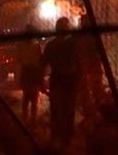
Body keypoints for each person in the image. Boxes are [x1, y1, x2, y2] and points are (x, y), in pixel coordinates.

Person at [41, 17, 81, 151]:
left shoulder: (53, 45)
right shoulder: (72, 44)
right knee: (67, 109)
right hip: (67, 80)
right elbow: (79, 62)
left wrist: (41, 81)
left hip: (59, 80)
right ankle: (65, 139)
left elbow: (43, 63)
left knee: (58, 110)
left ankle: (58, 138)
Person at [16, 24, 44, 124]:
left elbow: (19, 59)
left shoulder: (21, 45)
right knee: (33, 99)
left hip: (27, 71)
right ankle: (32, 120)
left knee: (26, 97)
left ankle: (25, 120)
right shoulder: (36, 46)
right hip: (33, 71)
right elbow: (40, 60)